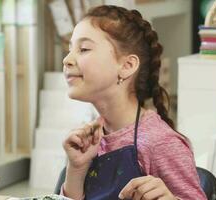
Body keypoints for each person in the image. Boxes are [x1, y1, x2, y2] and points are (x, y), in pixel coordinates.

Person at [61, 5, 207, 200]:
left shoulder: (161, 143)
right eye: (70, 49)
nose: (67, 60)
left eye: (84, 49)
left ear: (127, 66)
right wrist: (76, 170)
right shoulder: (88, 140)